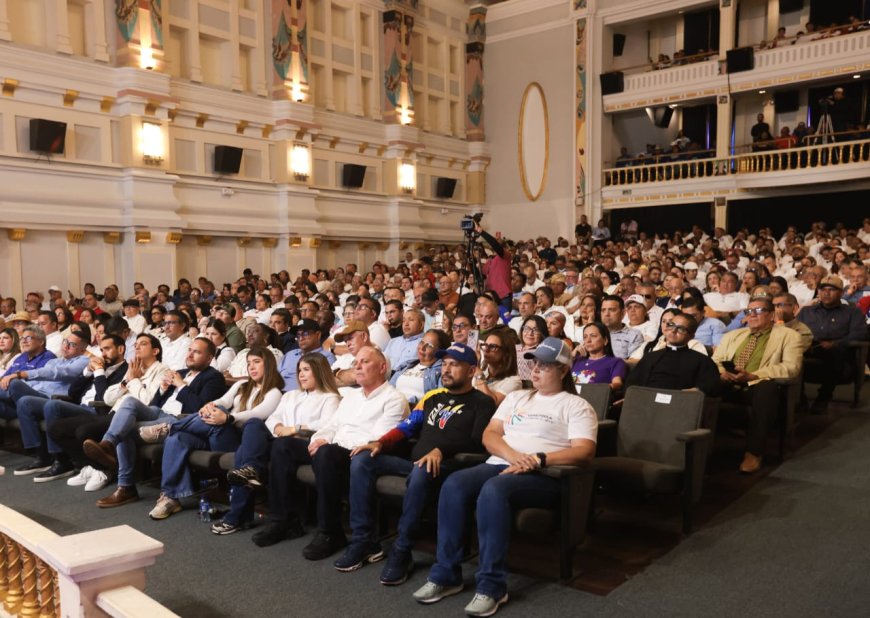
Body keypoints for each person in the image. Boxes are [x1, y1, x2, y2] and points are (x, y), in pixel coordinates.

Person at [413, 337, 597, 616]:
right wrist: (513, 457)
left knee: (494, 489)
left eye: (545, 365)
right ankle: (446, 574)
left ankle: (492, 585)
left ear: (562, 370)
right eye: (534, 363)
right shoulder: (516, 397)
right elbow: (490, 435)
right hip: (503, 462)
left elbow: (584, 451)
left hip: (545, 474)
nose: (535, 370)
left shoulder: (576, 405)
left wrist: (538, 459)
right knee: (454, 484)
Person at [338, 343, 496, 583]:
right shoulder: (433, 398)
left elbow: (477, 442)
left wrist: (441, 450)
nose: (446, 369)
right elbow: (407, 427)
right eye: (444, 364)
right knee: (363, 459)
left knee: (422, 469)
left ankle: (402, 550)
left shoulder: (482, 402)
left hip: (450, 468)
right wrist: (380, 443)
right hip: (414, 463)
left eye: (454, 365)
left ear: (472, 371)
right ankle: (364, 540)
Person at [83, 336, 227, 507]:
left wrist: (181, 386)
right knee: (129, 402)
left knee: (125, 430)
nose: (190, 354)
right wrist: (163, 390)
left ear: (209, 358)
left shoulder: (213, 377)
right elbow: (153, 405)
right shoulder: (180, 373)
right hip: (158, 414)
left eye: (197, 352)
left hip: (179, 421)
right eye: (189, 350)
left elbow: (201, 409)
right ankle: (108, 443)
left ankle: (125, 486)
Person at [294, 347, 408, 560]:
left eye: (364, 362)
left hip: (363, 454)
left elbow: (376, 439)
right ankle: (286, 521)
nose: (357, 365)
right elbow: (331, 424)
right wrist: (321, 438)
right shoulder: (351, 396)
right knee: (284, 447)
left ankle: (329, 531)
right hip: (336, 450)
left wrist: (331, 443)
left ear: (382, 367)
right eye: (356, 362)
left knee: (326, 454)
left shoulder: (394, 398)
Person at [148, 346, 284, 520]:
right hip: (216, 431)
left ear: (269, 365)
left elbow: (257, 414)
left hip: (239, 442)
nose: (251, 367)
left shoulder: (274, 392)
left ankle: (169, 427)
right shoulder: (242, 385)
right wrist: (209, 406)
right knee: (177, 439)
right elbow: (223, 401)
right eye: (249, 363)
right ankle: (170, 497)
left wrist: (227, 418)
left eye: (257, 362)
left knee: (218, 415)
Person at [215, 354, 341, 535]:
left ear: (319, 371)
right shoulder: (291, 395)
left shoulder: (330, 398)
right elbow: (273, 418)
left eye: (306, 370)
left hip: (305, 445)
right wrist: (279, 426)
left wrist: (295, 428)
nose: (301, 375)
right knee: (253, 424)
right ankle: (252, 471)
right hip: (281, 441)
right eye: (299, 371)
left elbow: (328, 425)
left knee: (248, 449)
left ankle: (240, 514)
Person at [712, 298, 803, 473]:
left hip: (756, 386)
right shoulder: (733, 336)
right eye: (748, 311)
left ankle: (754, 452)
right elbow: (715, 361)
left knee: (766, 388)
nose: (752, 315)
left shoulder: (789, 336)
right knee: (703, 381)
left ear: (771, 315)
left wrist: (755, 375)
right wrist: (722, 372)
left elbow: (791, 368)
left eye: (759, 310)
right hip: (728, 383)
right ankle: (698, 446)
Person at [6, 327, 92, 474]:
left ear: (83, 348)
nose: (65, 346)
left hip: (57, 400)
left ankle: (53, 458)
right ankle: (41, 456)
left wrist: (22, 374)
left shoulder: (84, 360)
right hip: (37, 396)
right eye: (65, 341)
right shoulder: (54, 361)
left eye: (72, 344)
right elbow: (36, 383)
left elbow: (61, 373)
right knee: (22, 398)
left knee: (16, 387)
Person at [797, 275, 867, 413]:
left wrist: (836, 343)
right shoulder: (807, 312)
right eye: (823, 289)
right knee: (791, 352)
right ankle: (800, 399)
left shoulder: (852, 312)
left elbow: (860, 334)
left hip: (837, 354)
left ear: (841, 293)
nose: (826, 293)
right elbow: (794, 331)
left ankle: (823, 397)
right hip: (809, 349)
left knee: (834, 351)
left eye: (831, 290)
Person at [625, 312, 721, 395]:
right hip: (647, 404)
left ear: (691, 335)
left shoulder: (702, 361)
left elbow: (711, 385)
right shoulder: (651, 357)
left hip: (680, 406)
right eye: (671, 325)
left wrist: (696, 390)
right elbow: (632, 383)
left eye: (681, 329)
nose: (673, 330)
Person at [389, 329, 450, 405]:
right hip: (391, 405)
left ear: (440, 352)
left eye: (429, 346)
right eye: (422, 342)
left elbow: (440, 403)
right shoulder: (407, 365)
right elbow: (388, 390)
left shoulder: (442, 372)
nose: (422, 348)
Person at [278, 318, 335, 391]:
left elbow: (324, 383)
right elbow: (275, 376)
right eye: (298, 335)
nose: (301, 338)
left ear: (318, 335)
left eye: (305, 334)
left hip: (302, 396)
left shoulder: (326, 357)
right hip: (277, 394)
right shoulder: (290, 354)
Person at [473, 328, 523, 406]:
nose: (486, 350)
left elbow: (491, 403)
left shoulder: (514, 381)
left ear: (506, 352)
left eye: (492, 347)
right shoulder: (483, 373)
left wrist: (478, 372)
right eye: (485, 345)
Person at [571, 322, 626, 390]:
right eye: (585, 337)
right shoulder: (576, 360)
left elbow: (617, 383)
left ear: (605, 340)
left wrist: (600, 389)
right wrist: (571, 356)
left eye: (593, 336)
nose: (588, 340)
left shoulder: (615, 362)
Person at [383, 309, 425, 374]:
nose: (406, 324)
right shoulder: (393, 341)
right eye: (404, 320)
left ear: (421, 325)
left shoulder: (424, 343)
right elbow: (383, 361)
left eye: (411, 320)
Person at [515, 315, 546, 381]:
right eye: (527, 328)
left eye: (536, 330)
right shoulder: (513, 347)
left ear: (542, 333)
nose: (530, 333)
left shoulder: (542, 352)